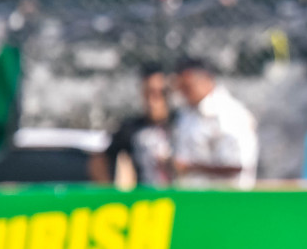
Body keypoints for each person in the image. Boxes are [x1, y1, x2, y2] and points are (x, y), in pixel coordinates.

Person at [170, 57, 259, 189]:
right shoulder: (186, 113)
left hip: (226, 201)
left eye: (187, 87)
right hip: (194, 200)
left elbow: (238, 167)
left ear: (205, 80)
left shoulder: (230, 113)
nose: (182, 93)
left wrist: (191, 168)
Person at [90, 64, 174, 187]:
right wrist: (108, 194)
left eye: (159, 93)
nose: (152, 101)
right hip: (146, 201)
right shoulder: (131, 128)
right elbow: (99, 160)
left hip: (185, 198)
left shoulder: (181, 122)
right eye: (147, 94)